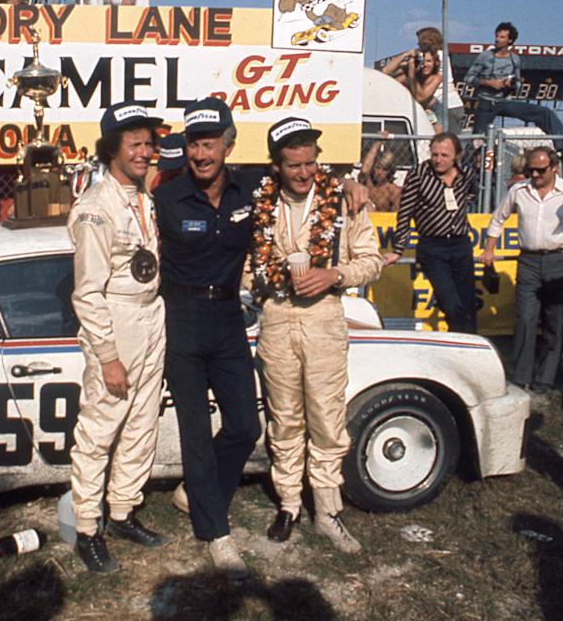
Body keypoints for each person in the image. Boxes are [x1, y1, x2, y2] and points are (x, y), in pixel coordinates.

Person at [247, 117, 383, 553]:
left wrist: (335, 274)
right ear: (276, 166)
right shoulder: (258, 203)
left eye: (310, 163)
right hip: (276, 319)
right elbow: (247, 269)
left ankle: (328, 510)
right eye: (293, 166)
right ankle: (288, 503)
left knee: (326, 417)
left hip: (324, 318)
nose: (304, 173)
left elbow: (372, 260)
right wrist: (258, 283)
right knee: (284, 417)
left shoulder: (345, 201)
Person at [154, 98, 262, 573]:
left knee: (245, 425)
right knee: (195, 432)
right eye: (194, 145)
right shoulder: (167, 198)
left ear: (228, 144)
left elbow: (306, 185)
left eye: (210, 144)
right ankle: (216, 532)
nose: (201, 154)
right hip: (181, 317)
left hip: (228, 317)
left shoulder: (252, 189)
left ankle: (197, 493)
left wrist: (348, 183)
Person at [68, 102, 168, 574]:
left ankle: (124, 510)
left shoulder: (143, 197)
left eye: (150, 143)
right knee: (100, 427)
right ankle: (87, 527)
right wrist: (107, 355)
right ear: (113, 149)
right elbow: (87, 292)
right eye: (136, 144)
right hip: (117, 319)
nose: (146, 152)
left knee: (141, 421)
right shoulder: (96, 206)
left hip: (151, 313)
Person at [481, 147, 563, 393]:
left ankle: (544, 379)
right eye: (531, 170)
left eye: (541, 170)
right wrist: (489, 249)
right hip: (527, 261)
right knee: (525, 319)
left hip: (558, 260)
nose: (535, 175)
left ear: (554, 169)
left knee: (555, 322)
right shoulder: (519, 191)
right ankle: (521, 376)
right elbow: (498, 219)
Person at [386, 132, 477, 333]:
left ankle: (469, 346)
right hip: (433, 246)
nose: (438, 160)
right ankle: (461, 341)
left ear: (456, 156)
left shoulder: (466, 173)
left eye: (444, 155)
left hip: (460, 244)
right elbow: (405, 212)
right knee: (450, 303)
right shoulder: (419, 174)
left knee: (468, 303)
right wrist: (398, 249)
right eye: (435, 154)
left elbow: (471, 193)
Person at [464, 22, 563, 151]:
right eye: (497, 36)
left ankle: (560, 147)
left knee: (545, 113)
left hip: (505, 101)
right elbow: (468, 78)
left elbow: (518, 83)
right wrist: (489, 83)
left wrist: (510, 84)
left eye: (502, 37)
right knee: (478, 138)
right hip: (486, 102)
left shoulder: (514, 59)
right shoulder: (485, 57)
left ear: (510, 41)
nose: (497, 40)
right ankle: (471, 160)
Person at [381, 47, 444, 133]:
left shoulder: (437, 78)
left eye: (429, 61)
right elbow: (385, 71)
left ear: (435, 63)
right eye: (423, 61)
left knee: (436, 137)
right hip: (411, 108)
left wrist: (411, 74)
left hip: (432, 110)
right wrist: (406, 55)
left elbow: (420, 98)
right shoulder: (411, 70)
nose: (425, 64)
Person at [358, 132, 401, 211]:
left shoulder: (392, 190)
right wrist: (378, 142)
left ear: (389, 172)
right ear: (373, 167)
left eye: (384, 169)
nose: (380, 172)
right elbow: (364, 170)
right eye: (377, 167)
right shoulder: (367, 183)